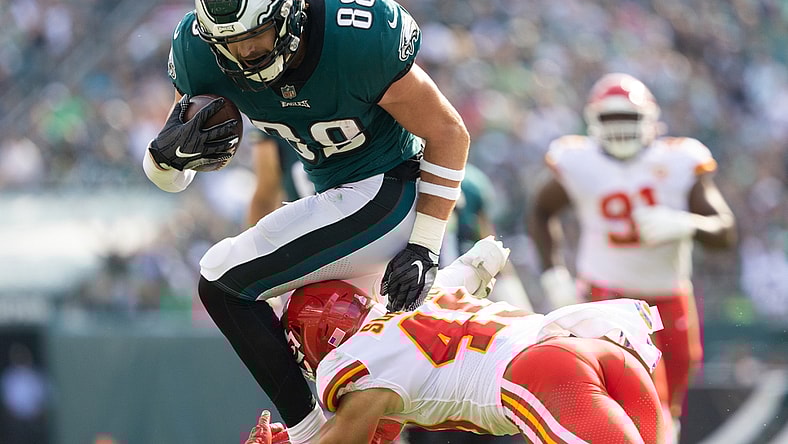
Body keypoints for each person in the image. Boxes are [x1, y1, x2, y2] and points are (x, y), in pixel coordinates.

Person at [141, 1, 470, 443]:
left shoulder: (353, 35)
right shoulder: (198, 51)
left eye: (254, 35)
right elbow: (174, 172)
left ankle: (308, 436)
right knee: (318, 338)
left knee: (222, 281)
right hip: (340, 198)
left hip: (388, 189)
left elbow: (449, 132)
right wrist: (162, 160)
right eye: (230, 42)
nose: (245, 51)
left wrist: (425, 245)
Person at [244, 237, 668, 444]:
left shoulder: (357, 368)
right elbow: (377, 431)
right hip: (594, 346)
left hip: (541, 377)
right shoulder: (411, 304)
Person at [528, 72, 737, 441]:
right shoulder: (579, 160)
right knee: (632, 404)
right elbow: (540, 211)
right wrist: (553, 272)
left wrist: (686, 223)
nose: (619, 127)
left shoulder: (680, 160)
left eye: (628, 117)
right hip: (608, 296)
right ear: (593, 121)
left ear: (651, 120)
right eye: (610, 118)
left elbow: (725, 231)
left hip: (671, 296)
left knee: (669, 408)